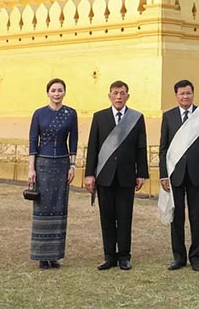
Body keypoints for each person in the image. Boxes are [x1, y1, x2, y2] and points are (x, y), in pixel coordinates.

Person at [83, 80, 149, 270]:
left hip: (127, 176)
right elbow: (93, 147)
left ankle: (124, 256)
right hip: (104, 176)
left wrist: (142, 173)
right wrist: (89, 174)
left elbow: (141, 146)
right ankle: (109, 256)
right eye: (115, 93)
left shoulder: (136, 117)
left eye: (122, 93)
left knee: (125, 216)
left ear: (127, 96)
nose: (119, 97)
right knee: (107, 217)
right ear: (109, 95)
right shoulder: (99, 117)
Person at [158, 79, 199, 272]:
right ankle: (179, 257)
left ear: (193, 94)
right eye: (181, 93)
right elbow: (163, 149)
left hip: (197, 175)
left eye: (188, 93)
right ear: (176, 96)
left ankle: (196, 257)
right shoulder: (168, 116)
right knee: (177, 218)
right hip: (175, 175)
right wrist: (164, 175)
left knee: (196, 217)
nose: (185, 96)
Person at [27, 78, 78, 270]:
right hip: (43, 164)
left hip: (62, 164)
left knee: (59, 208)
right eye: (53, 90)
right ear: (48, 93)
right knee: (42, 207)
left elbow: (73, 141)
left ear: (64, 92)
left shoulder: (70, 114)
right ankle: (42, 255)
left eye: (60, 90)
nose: (56, 94)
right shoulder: (39, 114)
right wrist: (31, 168)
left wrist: (72, 165)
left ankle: (55, 255)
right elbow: (33, 141)